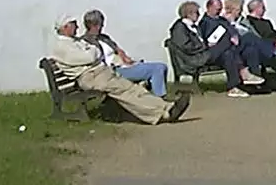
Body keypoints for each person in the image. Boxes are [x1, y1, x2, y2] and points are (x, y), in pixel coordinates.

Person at [49, 13, 188, 124]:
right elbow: (90, 56)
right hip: (90, 77)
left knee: (132, 89)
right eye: (74, 24)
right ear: (65, 27)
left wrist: (92, 53)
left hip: (99, 72)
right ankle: (160, 114)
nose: (77, 27)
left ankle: (167, 107)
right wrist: (92, 53)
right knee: (126, 92)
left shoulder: (74, 42)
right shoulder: (61, 46)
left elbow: (94, 52)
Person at [168, 0, 259, 97]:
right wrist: (205, 45)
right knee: (227, 41)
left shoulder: (192, 26)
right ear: (189, 14)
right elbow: (187, 46)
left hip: (203, 54)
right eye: (196, 13)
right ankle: (243, 71)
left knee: (227, 54)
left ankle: (233, 87)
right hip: (195, 58)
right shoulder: (179, 28)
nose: (199, 15)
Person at [81, 8, 169, 98]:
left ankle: (155, 95)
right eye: (100, 24)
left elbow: (117, 49)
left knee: (162, 67)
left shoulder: (104, 38)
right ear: (94, 25)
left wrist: (125, 58)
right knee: (158, 68)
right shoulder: (86, 41)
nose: (102, 26)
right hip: (112, 71)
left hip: (123, 65)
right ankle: (160, 97)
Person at [202, 0, 275, 81]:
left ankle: (256, 80)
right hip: (221, 49)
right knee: (249, 37)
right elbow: (212, 40)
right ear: (209, 8)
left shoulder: (221, 20)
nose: (219, 11)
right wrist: (230, 35)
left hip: (232, 46)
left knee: (251, 50)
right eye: (217, 9)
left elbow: (231, 30)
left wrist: (234, 34)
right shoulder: (206, 22)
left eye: (220, 9)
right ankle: (271, 54)